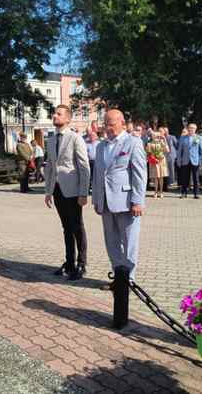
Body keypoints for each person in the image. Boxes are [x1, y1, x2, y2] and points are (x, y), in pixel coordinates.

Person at [92, 109, 147, 283]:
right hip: (106, 202)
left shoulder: (133, 143)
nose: (107, 128)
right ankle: (118, 277)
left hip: (126, 202)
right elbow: (97, 174)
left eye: (111, 124)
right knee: (111, 242)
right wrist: (97, 199)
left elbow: (139, 174)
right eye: (105, 124)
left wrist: (137, 201)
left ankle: (129, 279)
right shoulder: (101, 146)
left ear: (122, 123)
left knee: (129, 242)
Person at [44, 105, 90, 280]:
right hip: (57, 190)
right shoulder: (51, 140)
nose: (55, 116)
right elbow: (50, 166)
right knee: (66, 228)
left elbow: (84, 167)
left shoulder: (75, 138)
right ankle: (69, 262)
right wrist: (48, 191)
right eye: (54, 113)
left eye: (59, 114)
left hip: (73, 190)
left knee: (77, 227)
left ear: (68, 119)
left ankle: (81, 263)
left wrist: (83, 193)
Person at [177, 123, 202, 199]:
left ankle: (196, 194)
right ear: (188, 129)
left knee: (196, 178)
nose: (191, 129)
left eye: (193, 128)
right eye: (190, 128)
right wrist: (178, 160)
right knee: (184, 178)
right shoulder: (183, 138)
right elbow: (179, 150)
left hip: (195, 160)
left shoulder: (199, 138)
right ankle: (183, 193)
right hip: (185, 160)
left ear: (195, 129)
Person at [146, 130, 169, 198]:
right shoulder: (149, 143)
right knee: (155, 177)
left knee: (161, 177)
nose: (157, 137)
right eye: (155, 136)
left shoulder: (161, 142)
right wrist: (153, 158)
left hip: (161, 161)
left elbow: (167, 150)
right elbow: (148, 153)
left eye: (158, 136)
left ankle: (161, 192)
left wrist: (164, 140)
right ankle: (155, 192)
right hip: (154, 162)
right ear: (152, 137)